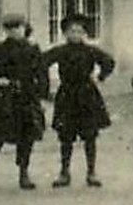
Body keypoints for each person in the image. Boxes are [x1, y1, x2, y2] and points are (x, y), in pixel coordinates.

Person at [42, 13, 115, 188]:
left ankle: (91, 172)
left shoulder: (90, 51)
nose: (75, 34)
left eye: (79, 31)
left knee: (90, 136)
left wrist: (100, 76)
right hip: (67, 95)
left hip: (87, 95)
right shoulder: (60, 51)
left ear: (84, 33)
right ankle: (64, 172)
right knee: (66, 136)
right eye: (71, 31)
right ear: (65, 33)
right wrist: (46, 87)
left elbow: (109, 62)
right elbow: (41, 63)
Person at [0, 13, 48, 191]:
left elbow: (42, 74)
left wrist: (41, 96)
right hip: (3, 98)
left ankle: (24, 173)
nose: (14, 31)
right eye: (9, 28)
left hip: (26, 97)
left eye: (17, 27)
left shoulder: (33, 49)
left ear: (25, 28)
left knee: (26, 135)